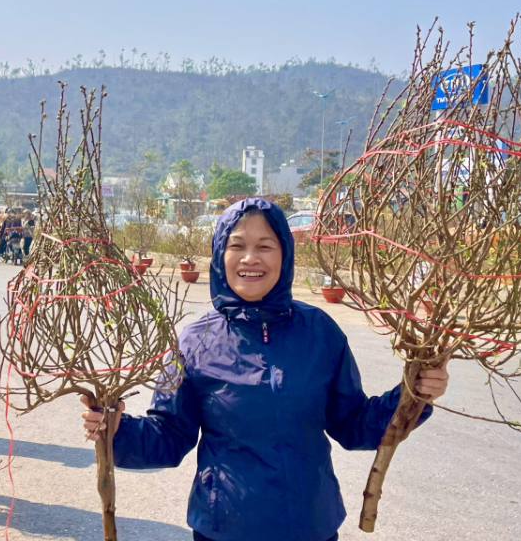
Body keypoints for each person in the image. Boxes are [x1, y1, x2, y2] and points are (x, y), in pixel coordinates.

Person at [80, 198, 449, 541]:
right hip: (224, 528)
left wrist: (412, 396)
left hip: (311, 526)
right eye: (237, 245)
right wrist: (117, 432)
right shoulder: (194, 342)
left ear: (284, 254)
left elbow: (352, 423)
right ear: (220, 256)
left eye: (265, 246)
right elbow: (169, 436)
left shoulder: (320, 332)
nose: (250, 258)